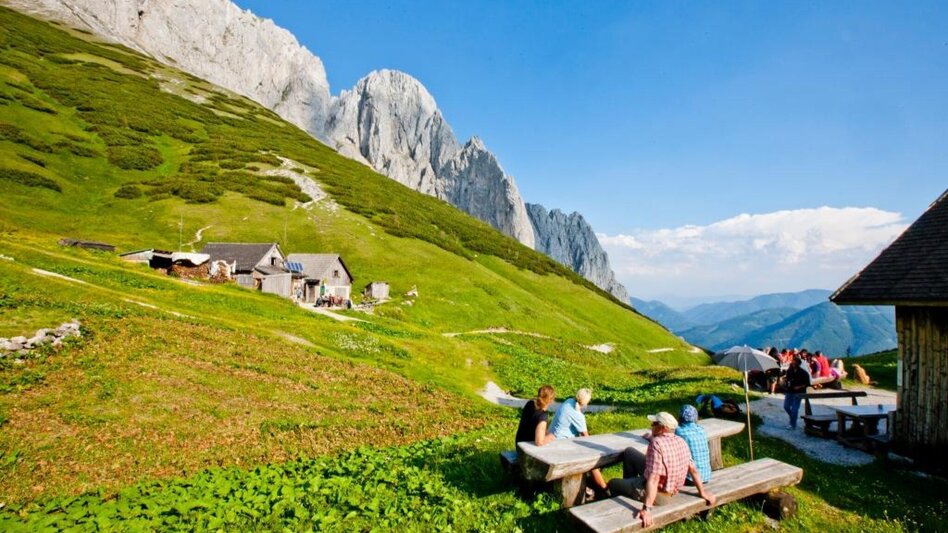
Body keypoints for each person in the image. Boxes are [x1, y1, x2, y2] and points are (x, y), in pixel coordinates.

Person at [608, 412, 716, 528]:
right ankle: (631, 486)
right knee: (629, 452)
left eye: (654, 423)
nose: (651, 425)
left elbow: (654, 479)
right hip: (670, 489)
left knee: (612, 483)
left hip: (659, 495)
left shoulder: (656, 444)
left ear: (662, 428)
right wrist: (702, 492)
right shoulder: (681, 441)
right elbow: (693, 469)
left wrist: (647, 509)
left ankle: (628, 501)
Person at [549, 388, 609, 497]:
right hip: (560, 447)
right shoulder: (577, 415)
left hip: (552, 440)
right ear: (586, 403)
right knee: (592, 459)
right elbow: (586, 438)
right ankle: (604, 488)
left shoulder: (568, 402)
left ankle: (592, 485)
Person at [674, 405, 711, 484]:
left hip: (690, 478)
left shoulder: (679, 431)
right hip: (706, 476)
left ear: (679, 417)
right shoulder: (701, 430)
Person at [783, 356, 810, 430]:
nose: (793, 364)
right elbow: (788, 380)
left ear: (798, 364)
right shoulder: (789, 371)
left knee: (794, 409)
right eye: (793, 363)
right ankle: (793, 417)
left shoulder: (803, 373)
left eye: (795, 363)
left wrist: (800, 386)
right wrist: (786, 383)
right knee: (786, 406)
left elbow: (807, 383)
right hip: (789, 391)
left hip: (799, 393)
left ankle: (792, 424)